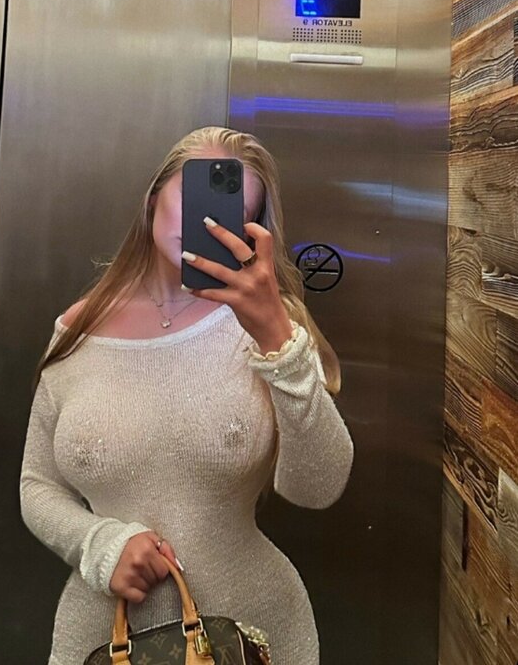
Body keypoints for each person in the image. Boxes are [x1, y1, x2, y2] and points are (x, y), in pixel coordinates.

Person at [20, 125, 354, 665]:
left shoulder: (270, 327)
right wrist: (99, 545)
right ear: (154, 197)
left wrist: (278, 340)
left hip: (254, 634)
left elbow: (318, 487)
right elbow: (37, 485)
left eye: (230, 213)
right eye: (195, 193)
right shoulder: (77, 330)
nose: (207, 222)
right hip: (100, 636)